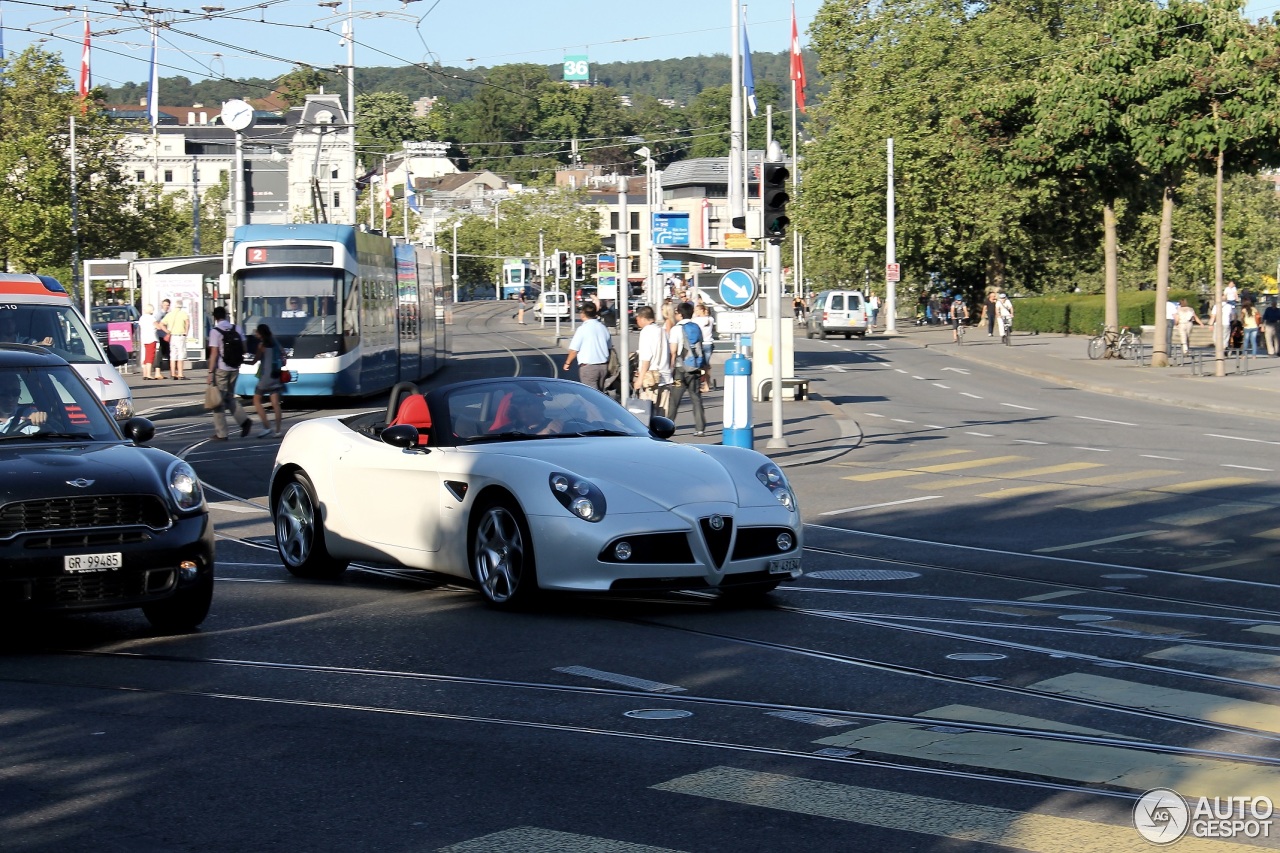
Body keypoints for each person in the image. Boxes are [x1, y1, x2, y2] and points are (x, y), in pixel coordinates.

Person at [206, 306, 253, 440]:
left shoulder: (215, 332)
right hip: (235, 368)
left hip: (221, 369)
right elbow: (244, 348)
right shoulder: (237, 328)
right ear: (226, 316)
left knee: (218, 401)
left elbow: (214, 353)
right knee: (229, 397)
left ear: (215, 317)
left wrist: (210, 372)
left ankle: (221, 433)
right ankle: (244, 421)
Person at [666, 302, 707, 437]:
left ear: (680, 314)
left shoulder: (676, 329)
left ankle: (667, 426)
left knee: (674, 400)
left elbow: (673, 351)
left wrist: (671, 368)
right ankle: (700, 428)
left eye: (677, 312)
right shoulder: (696, 327)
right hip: (695, 367)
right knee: (696, 398)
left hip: (680, 369)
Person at [563, 302, 611, 392]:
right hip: (603, 367)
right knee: (600, 395)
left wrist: (568, 363)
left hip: (589, 368)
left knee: (591, 397)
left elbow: (574, 350)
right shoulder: (603, 327)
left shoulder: (582, 329)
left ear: (583, 314)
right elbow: (609, 348)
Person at [633, 305, 672, 411]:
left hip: (651, 380)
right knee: (662, 414)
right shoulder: (662, 331)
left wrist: (640, 379)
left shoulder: (646, 332)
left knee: (646, 414)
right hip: (665, 376)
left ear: (641, 318)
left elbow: (646, 357)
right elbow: (670, 353)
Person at [252, 323, 285, 438]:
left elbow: (254, 361)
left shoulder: (262, 346)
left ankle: (266, 427)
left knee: (256, 400)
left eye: (257, 332)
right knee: (276, 404)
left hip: (265, 378)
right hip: (276, 376)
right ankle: (278, 431)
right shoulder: (275, 343)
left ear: (261, 334)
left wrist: (242, 362)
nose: (255, 333)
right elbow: (284, 354)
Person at [165, 299, 191, 380]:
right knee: (180, 354)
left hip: (172, 336)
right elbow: (187, 323)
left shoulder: (170, 314)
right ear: (181, 306)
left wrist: (167, 331)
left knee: (173, 355)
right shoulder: (183, 314)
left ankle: (172, 373)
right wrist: (186, 332)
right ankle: (180, 374)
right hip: (180, 336)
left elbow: (161, 324)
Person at [693, 303, 716, 392]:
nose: (695, 312)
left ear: (701, 310)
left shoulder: (696, 320)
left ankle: (702, 383)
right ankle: (707, 384)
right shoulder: (710, 319)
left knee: (700, 365)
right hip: (709, 343)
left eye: (697, 310)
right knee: (706, 366)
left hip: (701, 344)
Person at [139, 303, 160, 379]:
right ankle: (148, 374)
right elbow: (158, 327)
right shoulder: (152, 318)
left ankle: (145, 374)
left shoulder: (142, 318)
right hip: (151, 338)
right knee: (150, 356)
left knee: (146, 355)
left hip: (144, 338)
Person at [153, 300, 171, 379]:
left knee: (169, 353)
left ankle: (172, 371)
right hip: (161, 336)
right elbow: (155, 322)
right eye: (165, 305)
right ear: (162, 305)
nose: (166, 306)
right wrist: (163, 329)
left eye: (168, 305)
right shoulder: (160, 314)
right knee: (160, 353)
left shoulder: (168, 314)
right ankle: (157, 371)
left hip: (167, 336)